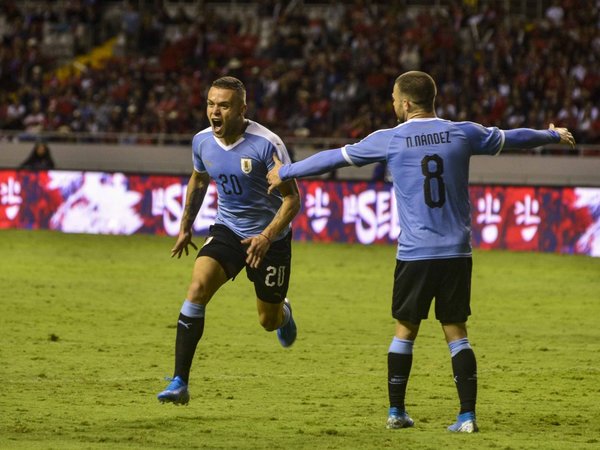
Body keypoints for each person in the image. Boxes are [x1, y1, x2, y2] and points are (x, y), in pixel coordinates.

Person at [267, 71, 575, 432]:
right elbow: (514, 139)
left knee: (405, 330)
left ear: (407, 103)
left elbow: (333, 159)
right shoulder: (463, 131)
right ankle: (467, 417)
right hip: (457, 253)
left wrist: (285, 171)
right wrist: (552, 134)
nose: (392, 104)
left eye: (395, 98)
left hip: (415, 253)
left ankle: (397, 413)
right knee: (457, 332)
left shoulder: (390, 139)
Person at [157, 76, 301, 405]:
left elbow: (293, 200)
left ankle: (285, 315)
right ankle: (179, 381)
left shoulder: (267, 144)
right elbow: (199, 177)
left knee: (268, 320)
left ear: (242, 109)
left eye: (224, 105)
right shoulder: (202, 142)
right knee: (197, 289)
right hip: (227, 229)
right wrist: (185, 226)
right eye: (210, 104)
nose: (215, 111)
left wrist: (267, 236)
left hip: (270, 240)